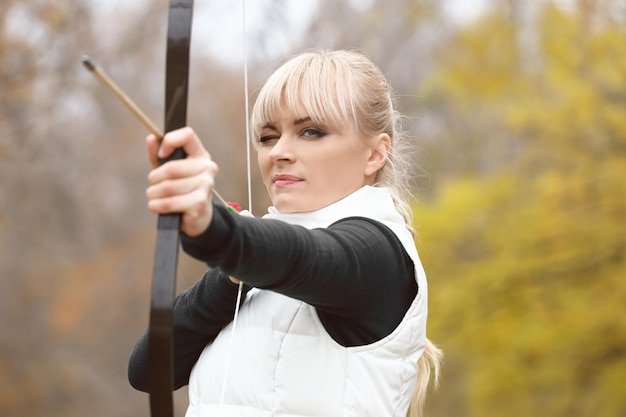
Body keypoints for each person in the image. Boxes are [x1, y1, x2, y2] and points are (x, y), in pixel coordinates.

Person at [128, 49, 442, 417]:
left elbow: (309, 257)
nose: (280, 151)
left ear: (375, 154)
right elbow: (148, 371)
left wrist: (216, 229)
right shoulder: (258, 258)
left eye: (311, 132)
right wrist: (228, 273)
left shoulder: (380, 253)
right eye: (267, 137)